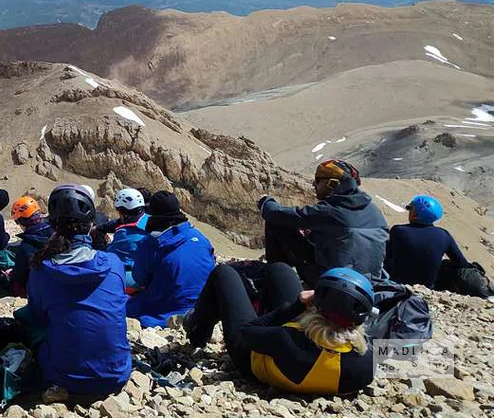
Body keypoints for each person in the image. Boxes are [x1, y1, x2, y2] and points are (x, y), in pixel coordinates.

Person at [177, 264, 375, 396]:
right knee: (280, 269)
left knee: (224, 273)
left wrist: (296, 306)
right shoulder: (365, 361)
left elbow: (245, 333)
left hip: (251, 355)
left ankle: (196, 333)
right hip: (295, 356)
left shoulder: (286, 338)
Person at [15, 184, 131, 402]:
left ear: (53, 226)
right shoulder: (114, 264)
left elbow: (38, 318)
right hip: (116, 374)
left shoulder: (41, 270)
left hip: (65, 377)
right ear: (90, 226)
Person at [259, 160, 389, 285]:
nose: (314, 184)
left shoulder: (333, 210)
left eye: (318, 179)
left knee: (277, 222)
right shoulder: (374, 211)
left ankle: (276, 276)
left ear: (332, 183)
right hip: (370, 283)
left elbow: (280, 214)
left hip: (336, 283)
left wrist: (266, 202)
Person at [126, 191, 215, 328]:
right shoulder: (200, 237)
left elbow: (139, 278)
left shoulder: (150, 243)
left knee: (123, 305)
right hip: (205, 306)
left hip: (170, 308)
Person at [384, 195, 469, 288]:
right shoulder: (444, 235)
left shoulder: (398, 230)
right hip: (428, 286)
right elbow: (461, 263)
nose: (409, 211)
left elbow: (386, 256)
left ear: (416, 213)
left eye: (410, 208)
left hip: (397, 281)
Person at [101, 188, 150, 287]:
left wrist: (109, 243)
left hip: (136, 279)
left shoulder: (124, 233)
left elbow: (110, 255)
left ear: (122, 212)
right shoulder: (151, 220)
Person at [7, 195, 52, 295]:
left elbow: (18, 275)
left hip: (39, 288)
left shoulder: (26, 246)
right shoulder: (55, 232)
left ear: (21, 222)